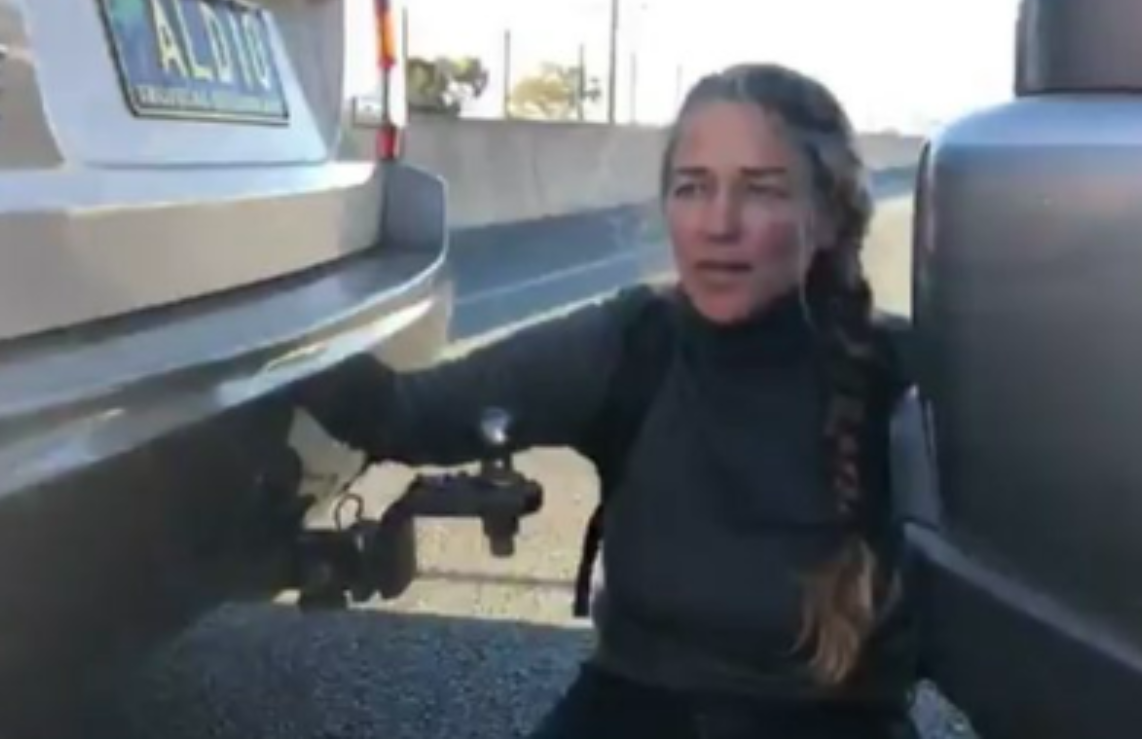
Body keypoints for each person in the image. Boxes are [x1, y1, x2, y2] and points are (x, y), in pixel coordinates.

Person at [295, 62, 919, 739]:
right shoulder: (632, 344)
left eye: (762, 191)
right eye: (692, 188)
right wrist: (262, 338)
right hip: (637, 706)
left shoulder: (907, 375)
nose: (718, 223)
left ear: (827, 217)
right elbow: (408, 414)